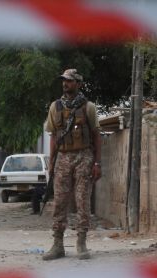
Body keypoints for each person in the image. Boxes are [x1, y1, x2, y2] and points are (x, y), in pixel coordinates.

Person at [42, 69, 101, 261]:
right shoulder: (55, 107)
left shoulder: (88, 107)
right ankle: (57, 244)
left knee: (82, 200)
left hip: (84, 156)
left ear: (78, 83)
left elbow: (96, 136)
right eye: (63, 81)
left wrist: (97, 162)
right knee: (59, 201)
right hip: (63, 157)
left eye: (69, 81)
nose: (65, 84)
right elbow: (53, 137)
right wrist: (51, 162)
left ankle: (81, 243)